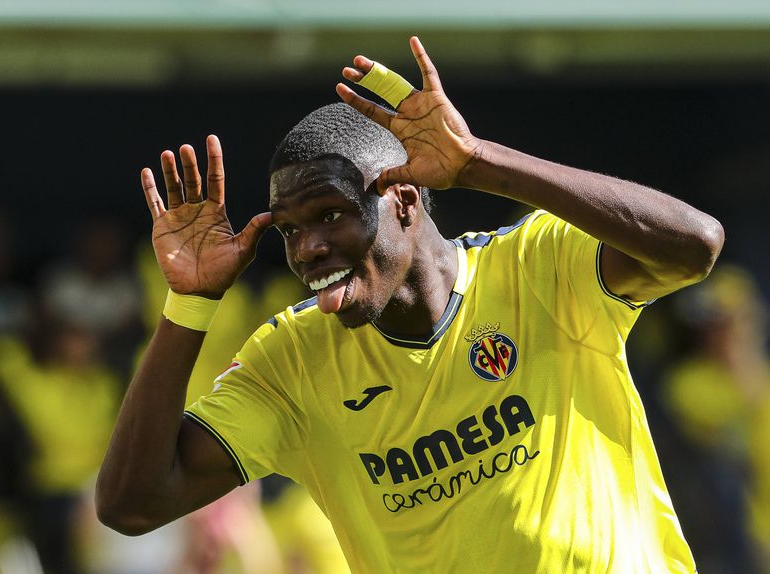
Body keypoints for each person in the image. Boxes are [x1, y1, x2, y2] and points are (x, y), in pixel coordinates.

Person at [96, 37, 724, 573]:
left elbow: (694, 247)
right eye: (289, 230)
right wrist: (190, 303)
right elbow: (133, 503)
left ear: (403, 200)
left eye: (331, 215)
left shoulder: (540, 267)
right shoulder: (292, 362)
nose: (308, 248)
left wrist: (479, 161)